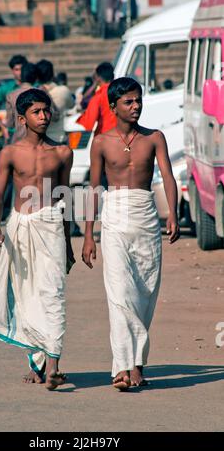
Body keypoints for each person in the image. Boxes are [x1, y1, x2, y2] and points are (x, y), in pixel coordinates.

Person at [82, 77, 180, 390]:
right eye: (128, 102)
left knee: (145, 292)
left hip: (146, 216)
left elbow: (167, 176)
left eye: (138, 100)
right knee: (119, 292)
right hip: (114, 217)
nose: (135, 106)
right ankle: (124, 367)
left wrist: (174, 214)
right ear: (113, 107)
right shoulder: (101, 142)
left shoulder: (154, 138)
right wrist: (88, 234)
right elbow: (94, 188)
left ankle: (137, 362)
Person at [0, 88, 75, 390]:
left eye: (47, 110)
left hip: (50, 227)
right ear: (22, 118)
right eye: (37, 112)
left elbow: (65, 198)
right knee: (26, 297)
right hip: (19, 229)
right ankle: (37, 363)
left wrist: (70, 244)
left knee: (52, 294)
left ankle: (53, 365)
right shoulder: (10, 153)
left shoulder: (63, 152)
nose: (44, 116)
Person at [0, 54, 27, 143]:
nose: (20, 72)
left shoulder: (33, 86)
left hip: (28, 132)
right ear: (12, 70)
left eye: (22, 69)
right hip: (11, 133)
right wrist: (3, 127)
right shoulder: (5, 88)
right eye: (17, 69)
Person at [36, 59, 74, 143]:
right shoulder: (64, 90)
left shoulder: (34, 93)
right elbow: (72, 105)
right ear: (53, 74)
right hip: (59, 138)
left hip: (42, 141)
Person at [76, 62, 116, 136]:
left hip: (105, 136)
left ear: (98, 77)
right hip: (123, 136)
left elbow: (88, 124)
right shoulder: (121, 92)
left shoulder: (99, 96)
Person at [5, 62, 38, 143]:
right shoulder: (41, 93)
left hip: (19, 140)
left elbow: (9, 123)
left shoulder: (11, 95)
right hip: (38, 141)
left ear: (21, 76)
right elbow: (55, 115)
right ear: (36, 77)